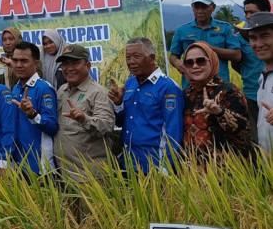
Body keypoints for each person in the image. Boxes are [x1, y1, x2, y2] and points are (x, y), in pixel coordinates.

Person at [109, 38, 184, 173]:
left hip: (155, 167)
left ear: (152, 58)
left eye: (136, 57)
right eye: (128, 57)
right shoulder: (131, 83)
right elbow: (122, 122)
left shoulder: (168, 87)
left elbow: (173, 133)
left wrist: (165, 169)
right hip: (130, 163)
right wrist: (118, 104)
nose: (131, 62)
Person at [54, 44, 115, 182]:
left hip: (90, 178)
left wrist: (84, 119)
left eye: (75, 63)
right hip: (65, 176)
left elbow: (107, 125)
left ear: (88, 65)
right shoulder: (62, 90)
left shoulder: (97, 92)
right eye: (65, 64)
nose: (69, 68)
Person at [181, 42, 250, 158]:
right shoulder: (185, 94)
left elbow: (245, 131)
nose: (195, 66)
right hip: (192, 170)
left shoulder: (228, 91)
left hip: (227, 169)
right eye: (189, 62)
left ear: (211, 61)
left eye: (201, 61)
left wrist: (220, 113)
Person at [169, 0, 241, 88]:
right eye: (196, 7)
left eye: (204, 7)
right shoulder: (182, 30)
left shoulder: (225, 28)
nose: (200, 11)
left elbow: (237, 55)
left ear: (213, 7)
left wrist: (211, 48)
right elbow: (173, 56)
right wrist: (177, 63)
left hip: (219, 86)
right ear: (192, 7)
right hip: (191, 87)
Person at [10, 42, 58, 175]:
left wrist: (33, 114)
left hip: (40, 167)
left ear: (36, 64)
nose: (18, 65)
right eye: (15, 60)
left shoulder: (44, 88)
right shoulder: (16, 88)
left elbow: (52, 127)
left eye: (24, 61)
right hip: (20, 165)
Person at [236, 12, 273, 153]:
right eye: (253, 38)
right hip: (268, 162)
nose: (258, 44)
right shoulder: (263, 74)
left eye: (265, 36)